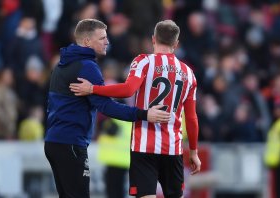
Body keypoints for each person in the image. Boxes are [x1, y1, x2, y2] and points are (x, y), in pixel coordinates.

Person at [70, 20, 201, 198]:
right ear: (176, 44)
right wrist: (193, 151)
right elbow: (192, 118)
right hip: (172, 147)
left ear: (154, 39)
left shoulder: (143, 61)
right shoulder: (188, 73)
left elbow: (128, 89)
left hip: (144, 144)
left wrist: (93, 88)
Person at [44, 19, 170, 198]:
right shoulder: (87, 67)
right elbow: (106, 106)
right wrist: (144, 114)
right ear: (87, 41)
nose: (107, 42)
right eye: (102, 37)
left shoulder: (62, 64)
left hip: (54, 141)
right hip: (71, 143)